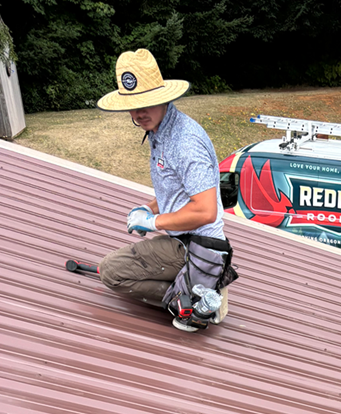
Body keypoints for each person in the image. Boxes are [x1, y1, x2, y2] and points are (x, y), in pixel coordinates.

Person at [96, 49, 236, 332]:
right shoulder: (160, 130)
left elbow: (206, 211)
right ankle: (199, 283)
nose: (138, 114)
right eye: (132, 106)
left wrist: (153, 222)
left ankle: (195, 299)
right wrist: (148, 208)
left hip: (197, 245)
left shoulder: (185, 142)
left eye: (146, 104)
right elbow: (178, 190)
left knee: (111, 272)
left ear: (164, 98)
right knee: (119, 266)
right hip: (181, 238)